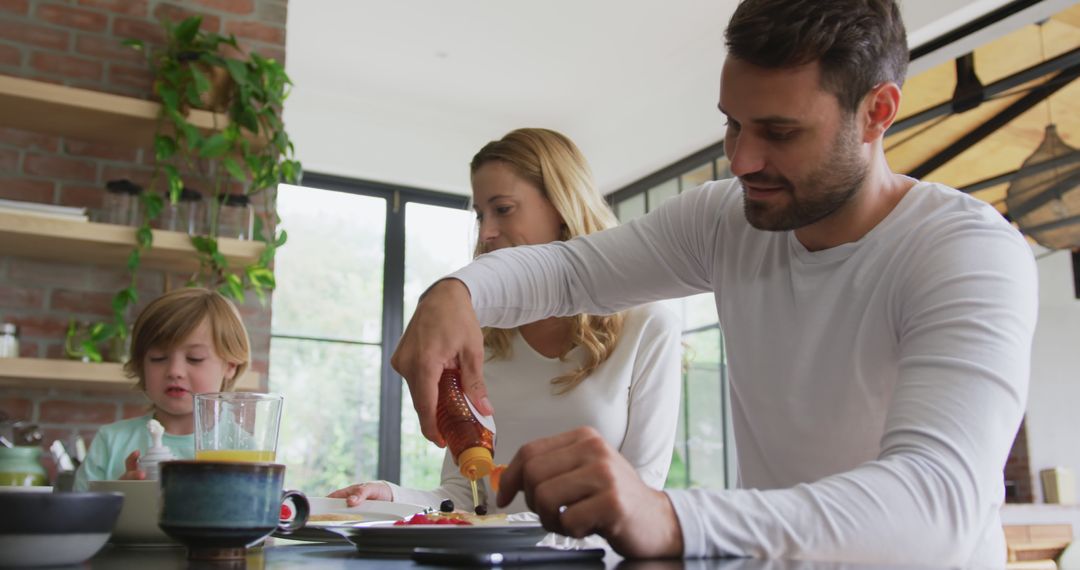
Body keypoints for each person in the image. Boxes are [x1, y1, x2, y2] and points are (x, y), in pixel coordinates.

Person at [390, 0, 1038, 566]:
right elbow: (572, 270)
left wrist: (671, 515)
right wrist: (458, 292)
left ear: (877, 113)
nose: (742, 159)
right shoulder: (724, 220)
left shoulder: (966, 253)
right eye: (732, 123)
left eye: (779, 133)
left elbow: (936, 504)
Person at [330, 128, 683, 515]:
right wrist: (391, 496)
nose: (486, 232)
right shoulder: (476, 338)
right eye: (480, 214)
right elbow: (466, 497)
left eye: (503, 209)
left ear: (561, 206)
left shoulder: (648, 327)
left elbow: (641, 491)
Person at [74, 287, 251, 490]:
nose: (174, 371)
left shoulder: (243, 449)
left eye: (195, 359)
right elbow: (75, 518)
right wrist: (117, 498)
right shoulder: (111, 442)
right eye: (158, 358)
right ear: (141, 364)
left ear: (230, 365)